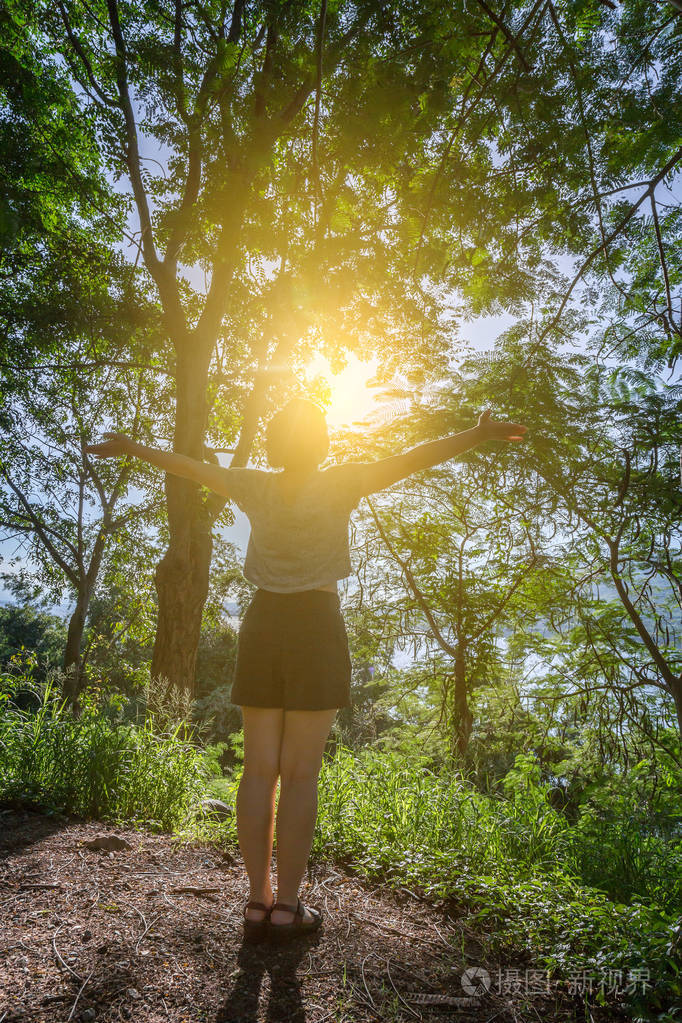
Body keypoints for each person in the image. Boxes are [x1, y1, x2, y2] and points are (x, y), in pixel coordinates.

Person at [86, 397, 527, 943]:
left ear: (273, 444)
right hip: (317, 625)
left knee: (257, 770)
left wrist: (130, 447)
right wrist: (474, 434)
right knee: (299, 776)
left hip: (263, 622)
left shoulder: (255, 484)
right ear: (321, 443)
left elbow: (189, 465)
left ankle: (256, 903)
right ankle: (288, 908)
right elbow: (413, 458)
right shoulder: (342, 480)